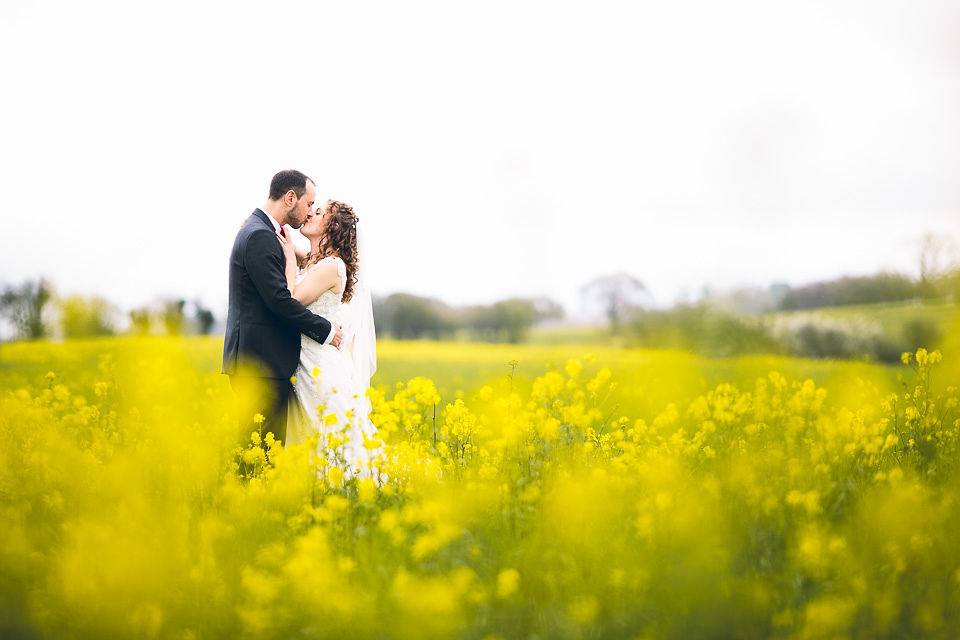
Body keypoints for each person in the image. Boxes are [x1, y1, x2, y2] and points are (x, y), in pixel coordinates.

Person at [222, 170, 343, 446]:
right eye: (309, 203)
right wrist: (325, 329)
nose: (310, 210)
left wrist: (297, 256)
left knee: (263, 453)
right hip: (260, 365)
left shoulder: (261, 232)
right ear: (291, 198)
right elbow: (280, 301)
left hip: (262, 363)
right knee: (261, 456)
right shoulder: (260, 236)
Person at [280, 199, 383, 481]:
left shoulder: (331, 266)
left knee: (328, 436)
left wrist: (289, 258)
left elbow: (294, 298)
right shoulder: (315, 260)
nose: (311, 211)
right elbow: (299, 252)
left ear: (333, 226)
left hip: (319, 366)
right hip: (305, 361)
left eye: (320, 211)